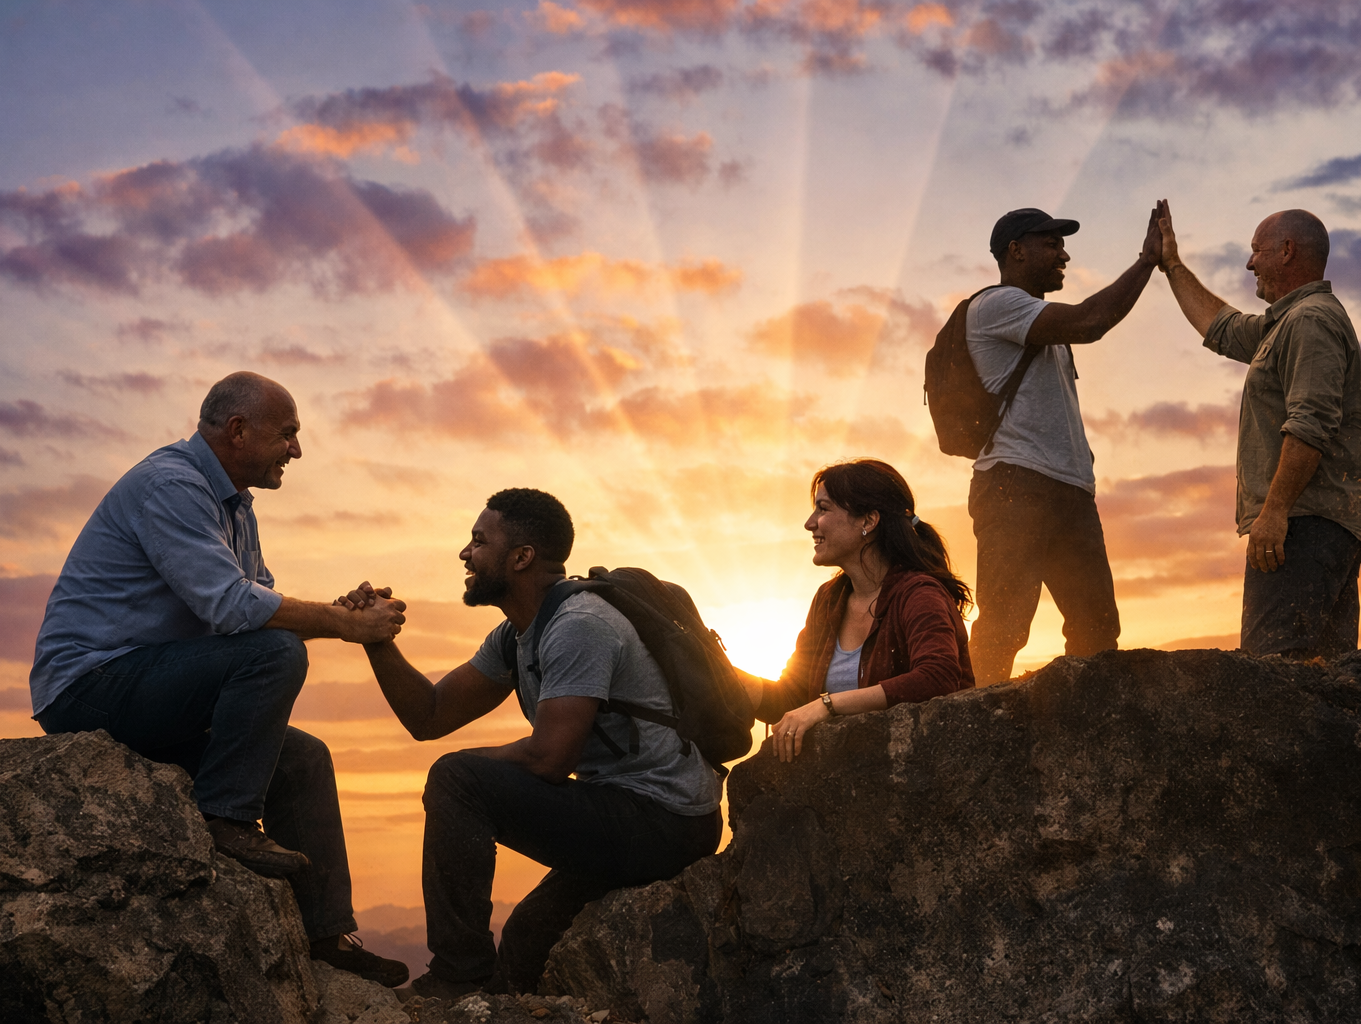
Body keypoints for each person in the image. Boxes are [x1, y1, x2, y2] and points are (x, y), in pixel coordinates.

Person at [30, 371, 410, 987]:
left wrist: (341, 610)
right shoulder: (172, 485)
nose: (297, 450)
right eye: (287, 434)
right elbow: (236, 611)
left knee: (304, 758)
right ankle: (226, 818)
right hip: (91, 686)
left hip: (151, 685)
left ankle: (326, 937)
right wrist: (343, 625)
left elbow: (253, 606)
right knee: (275, 654)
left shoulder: (235, 506)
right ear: (238, 430)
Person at [339, 488, 723, 998]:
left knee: (456, 778)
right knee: (525, 941)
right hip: (622, 809)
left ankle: (457, 975)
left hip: (667, 822)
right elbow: (429, 715)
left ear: (521, 557)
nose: (465, 553)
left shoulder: (578, 625)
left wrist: (462, 771)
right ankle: (483, 993)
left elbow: (549, 759)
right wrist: (377, 640)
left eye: (479, 541)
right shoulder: (516, 635)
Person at [1154, 201, 1361, 658]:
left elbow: (1309, 425)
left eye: (1257, 251)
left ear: (1287, 251)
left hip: (1303, 525)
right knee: (1324, 677)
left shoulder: (1311, 321)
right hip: (1319, 524)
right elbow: (1222, 327)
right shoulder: (1287, 324)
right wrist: (1171, 266)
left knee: (1272, 675)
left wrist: (1274, 513)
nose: (1249, 262)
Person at [966, 206, 1164, 683]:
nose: (1064, 255)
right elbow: (1089, 321)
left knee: (1097, 629)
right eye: (1051, 244)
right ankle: (968, 740)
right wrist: (1146, 262)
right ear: (1015, 251)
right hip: (1014, 483)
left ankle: (1088, 740)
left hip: (1068, 490)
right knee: (1005, 626)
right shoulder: (996, 305)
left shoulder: (1041, 326)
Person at [743, 459, 975, 761]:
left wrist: (827, 704)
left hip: (923, 777)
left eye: (823, 509)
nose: (809, 523)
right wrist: (732, 680)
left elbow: (936, 677)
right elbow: (795, 696)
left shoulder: (919, 594)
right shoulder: (829, 599)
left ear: (868, 521)